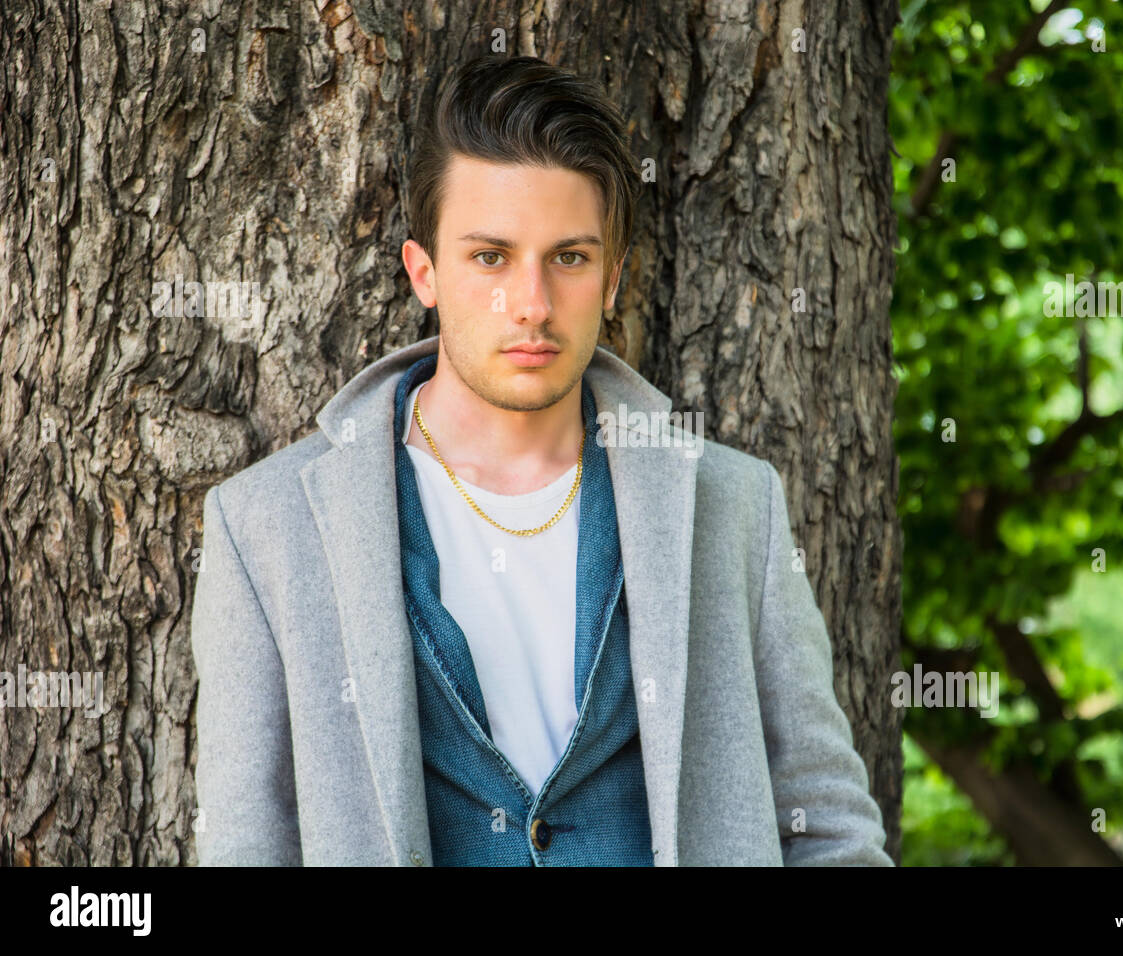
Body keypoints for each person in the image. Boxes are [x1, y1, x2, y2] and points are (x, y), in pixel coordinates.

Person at [190, 54, 892, 866]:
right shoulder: (264, 527)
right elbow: (247, 846)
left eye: (569, 258)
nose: (532, 303)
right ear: (426, 273)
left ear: (612, 278)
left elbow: (829, 829)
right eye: (490, 257)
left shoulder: (734, 504)